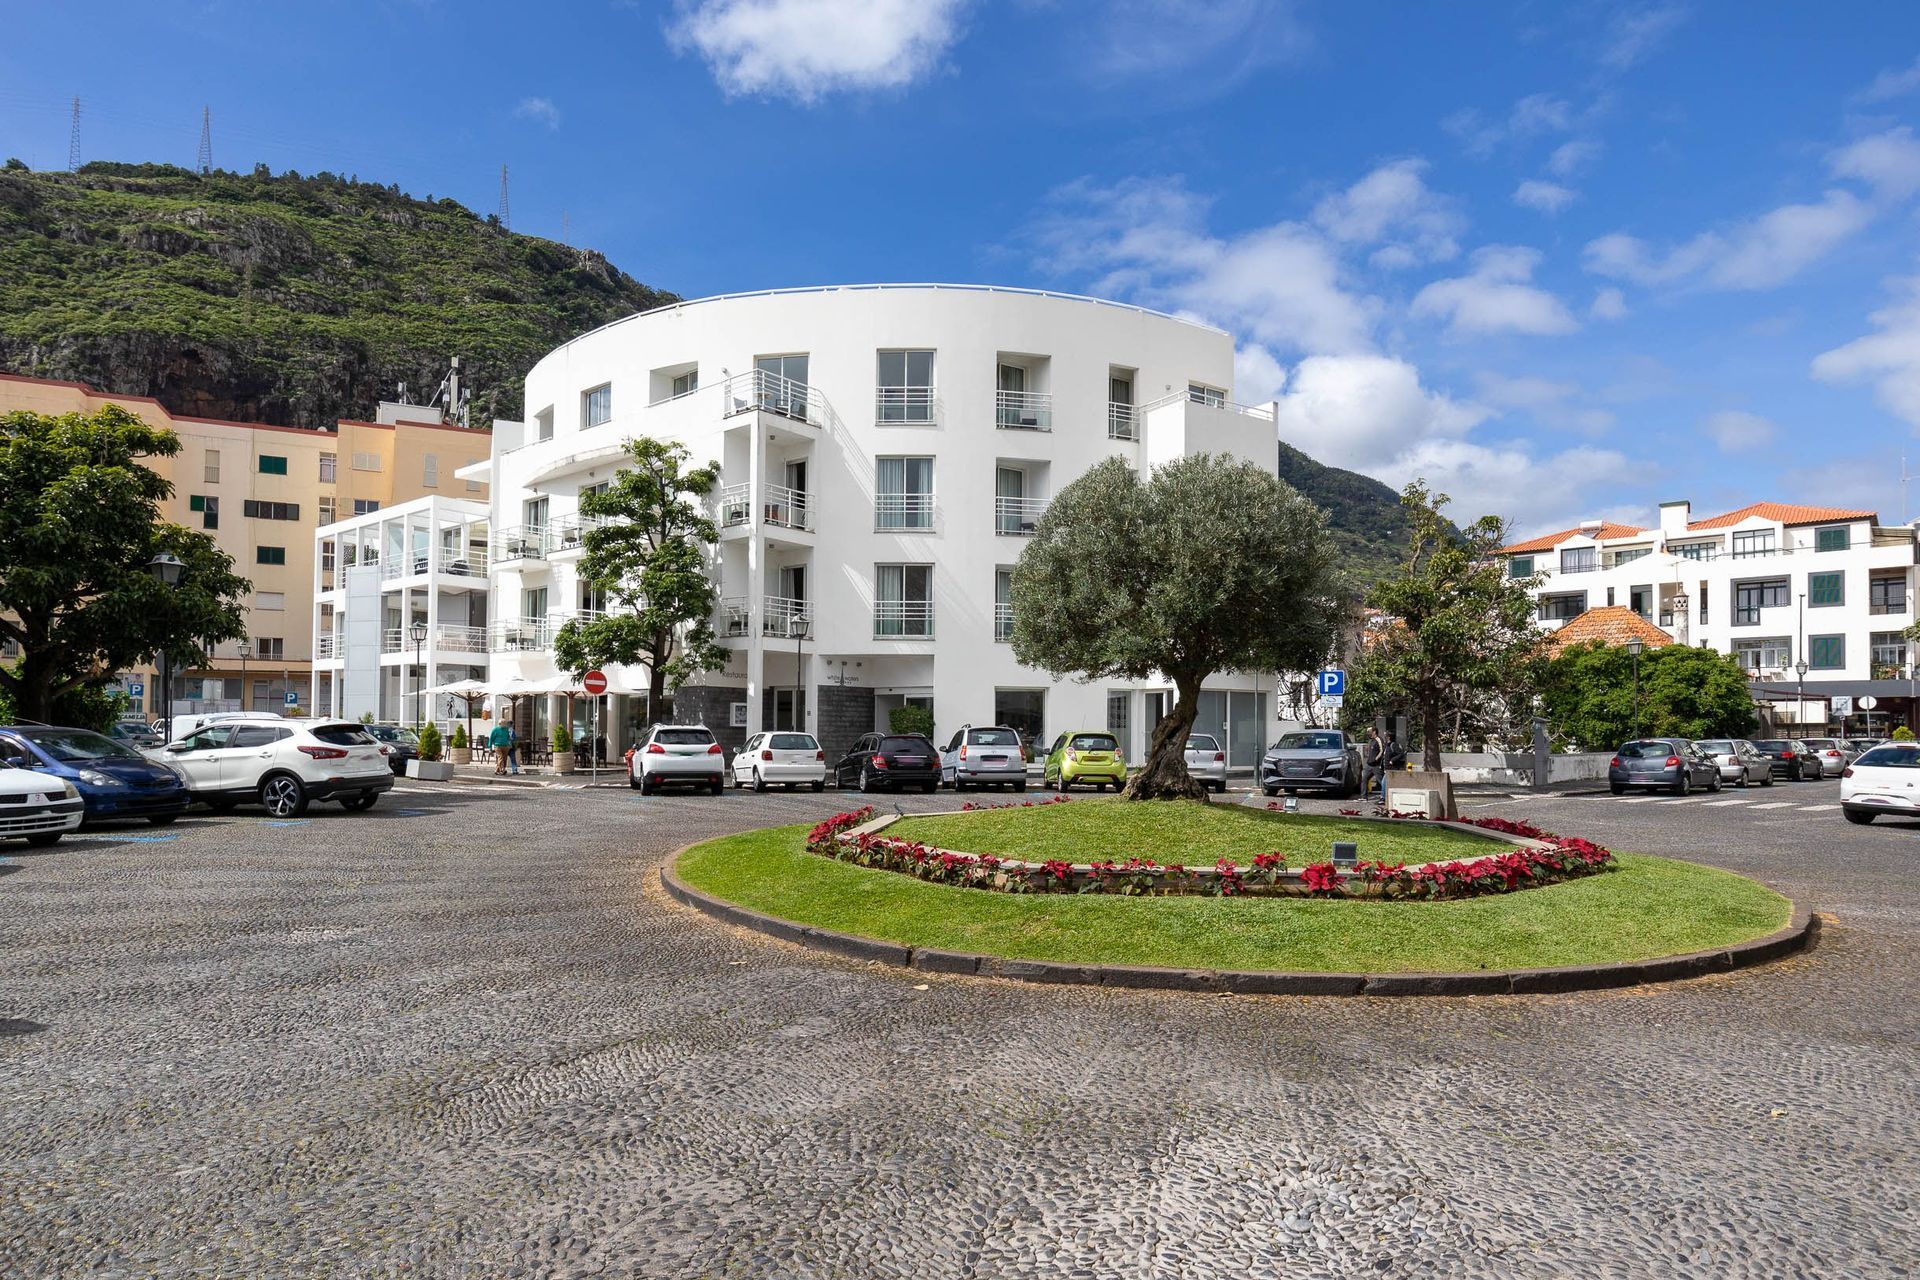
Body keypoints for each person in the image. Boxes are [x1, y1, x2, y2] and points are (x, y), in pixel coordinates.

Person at [1361, 727, 1385, 800]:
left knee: (1381, 781)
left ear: (1374, 732)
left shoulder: (1379, 739)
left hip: (1376, 765)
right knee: (1364, 779)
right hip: (1369, 765)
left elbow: (1382, 750)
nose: (1368, 733)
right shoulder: (1371, 740)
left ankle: (1385, 796)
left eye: (1370, 731)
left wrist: (1376, 759)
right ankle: (1363, 797)